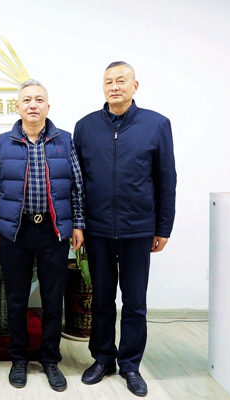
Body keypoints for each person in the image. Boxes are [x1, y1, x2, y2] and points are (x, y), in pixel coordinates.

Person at [73, 61, 177, 397]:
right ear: (103, 87)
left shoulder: (156, 124)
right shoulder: (85, 127)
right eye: (109, 82)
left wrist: (163, 227)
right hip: (97, 228)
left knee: (134, 302)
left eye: (121, 80)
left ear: (135, 86)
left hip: (138, 228)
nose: (114, 86)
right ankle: (103, 358)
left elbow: (166, 178)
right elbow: (77, 182)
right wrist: (79, 224)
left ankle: (130, 364)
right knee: (102, 299)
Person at [0, 79, 85, 392]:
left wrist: (78, 224)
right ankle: (18, 358)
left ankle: (50, 359)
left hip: (53, 232)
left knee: (53, 300)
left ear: (48, 106)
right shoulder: (3, 142)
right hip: (16, 232)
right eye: (27, 100)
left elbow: (77, 187)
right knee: (16, 300)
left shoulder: (64, 140)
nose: (33, 104)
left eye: (39, 99)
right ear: (17, 107)